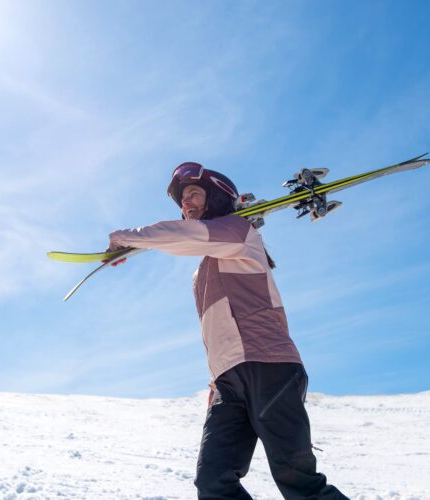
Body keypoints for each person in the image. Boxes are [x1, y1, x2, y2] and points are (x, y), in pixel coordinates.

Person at [107, 162, 348, 500]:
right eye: (182, 199)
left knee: (298, 481)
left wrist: (124, 238)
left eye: (192, 194)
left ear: (217, 196)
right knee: (213, 484)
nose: (185, 204)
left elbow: (182, 235)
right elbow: (216, 328)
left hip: (269, 368)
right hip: (227, 381)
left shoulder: (241, 234)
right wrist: (215, 381)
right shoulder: (203, 270)